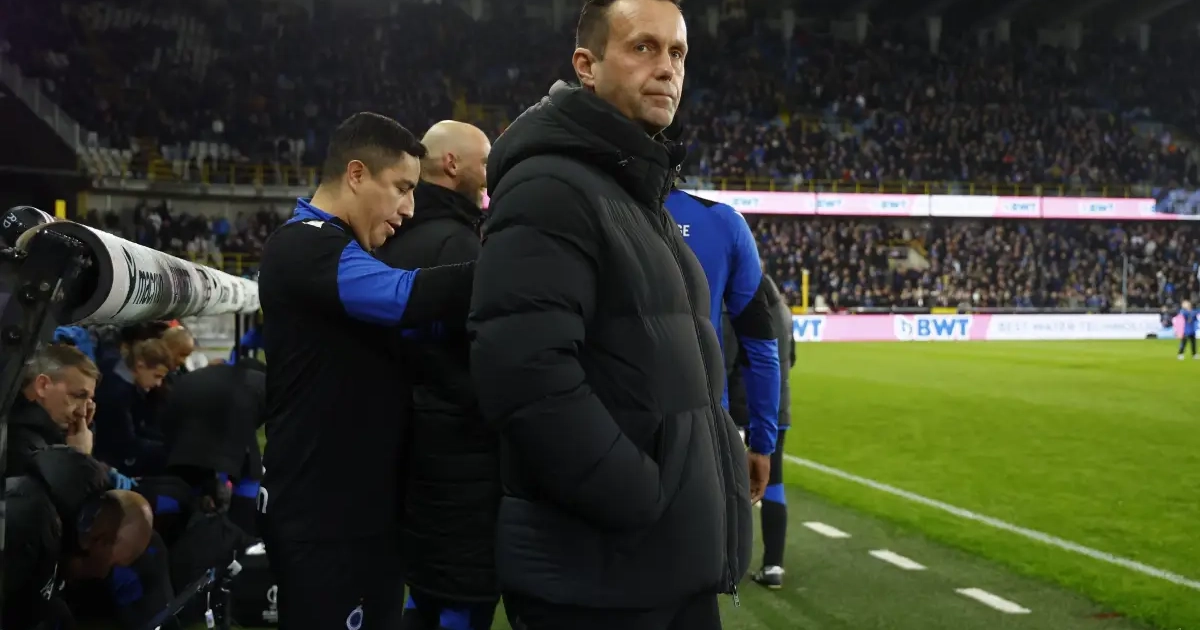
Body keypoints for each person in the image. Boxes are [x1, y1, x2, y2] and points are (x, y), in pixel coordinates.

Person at [468, 0, 750, 627]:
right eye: (643, 47)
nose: (667, 68)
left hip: (658, 570)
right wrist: (643, 497)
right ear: (586, 66)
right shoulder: (550, 188)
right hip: (602, 581)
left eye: (677, 52)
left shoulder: (635, 193)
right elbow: (524, 373)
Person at [257, 112, 475, 630]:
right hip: (323, 516)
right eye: (402, 188)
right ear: (356, 174)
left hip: (358, 510)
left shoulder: (340, 249)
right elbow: (403, 297)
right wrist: (520, 263)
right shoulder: (305, 244)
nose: (410, 209)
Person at [376, 120, 500, 630]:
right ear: (451, 164)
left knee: (423, 591)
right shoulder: (460, 247)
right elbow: (483, 361)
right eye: (484, 160)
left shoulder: (389, 237)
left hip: (402, 448)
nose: (490, 171)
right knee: (460, 598)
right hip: (460, 461)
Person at [664, 187, 780, 504]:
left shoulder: (585, 207)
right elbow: (760, 345)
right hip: (703, 425)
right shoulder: (724, 222)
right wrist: (762, 444)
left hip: (603, 425)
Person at [4, 446, 154, 630]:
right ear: (102, 540)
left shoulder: (57, 535)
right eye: (112, 565)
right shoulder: (25, 527)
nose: (103, 574)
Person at [726, 274, 795, 589]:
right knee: (774, 483)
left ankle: (724, 559)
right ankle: (774, 565)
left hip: (743, 409)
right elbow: (791, 358)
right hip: (777, 408)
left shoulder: (741, 303)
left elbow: (726, 359)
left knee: (723, 480)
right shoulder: (784, 310)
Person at [162, 359, 267, 535]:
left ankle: (191, 527)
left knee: (194, 476)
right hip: (223, 419)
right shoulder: (263, 386)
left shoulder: (214, 376)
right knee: (247, 473)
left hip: (181, 417)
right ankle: (242, 531)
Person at [7, 344, 100, 477]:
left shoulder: (50, 431)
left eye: (89, 400)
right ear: (43, 385)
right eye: (78, 396)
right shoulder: (18, 445)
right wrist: (77, 458)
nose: (83, 412)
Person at [93, 338, 173, 476]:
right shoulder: (117, 394)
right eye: (157, 376)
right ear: (140, 366)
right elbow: (126, 441)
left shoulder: (113, 369)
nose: (158, 383)